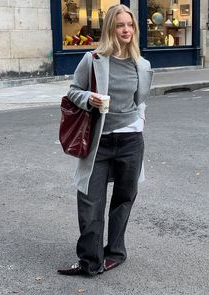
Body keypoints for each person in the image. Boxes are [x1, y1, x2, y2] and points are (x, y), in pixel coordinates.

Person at [58, 4, 153, 276]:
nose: (126, 30)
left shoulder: (142, 64)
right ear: (111, 28)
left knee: (124, 199)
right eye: (120, 25)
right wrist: (89, 98)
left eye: (130, 25)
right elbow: (73, 91)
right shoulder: (93, 60)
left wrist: (141, 120)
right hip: (98, 142)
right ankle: (90, 260)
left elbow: (141, 100)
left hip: (130, 141)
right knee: (90, 201)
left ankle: (115, 252)